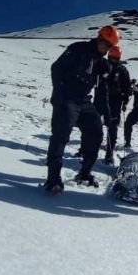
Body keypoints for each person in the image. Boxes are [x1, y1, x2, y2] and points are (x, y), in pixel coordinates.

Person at [43, 25, 120, 193]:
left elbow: (102, 91)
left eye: (109, 46)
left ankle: (85, 172)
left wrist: (106, 114)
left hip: (84, 101)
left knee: (96, 131)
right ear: (98, 38)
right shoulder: (78, 49)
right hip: (67, 96)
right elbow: (56, 68)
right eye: (104, 43)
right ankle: (53, 178)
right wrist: (58, 93)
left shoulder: (102, 63)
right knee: (61, 134)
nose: (105, 48)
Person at [95, 45, 131, 165]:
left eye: (116, 58)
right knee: (92, 125)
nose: (114, 60)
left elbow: (127, 87)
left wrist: (125, 101)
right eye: (112, 57)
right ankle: (85, 149)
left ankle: (109, 154)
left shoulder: (122, 70)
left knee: (112, 129)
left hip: (115, 102)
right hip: (100, 99)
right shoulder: (102, 64)